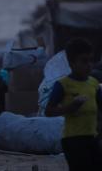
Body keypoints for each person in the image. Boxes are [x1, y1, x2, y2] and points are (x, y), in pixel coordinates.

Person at [45, 38, 102, 171]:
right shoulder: (63, 85)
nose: (89, 65)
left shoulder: (94, 83)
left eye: (91, 60)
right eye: (84, 61)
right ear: (71, 63)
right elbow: (48, 111)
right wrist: (70, 108)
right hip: (73, 140)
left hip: (92, 138)